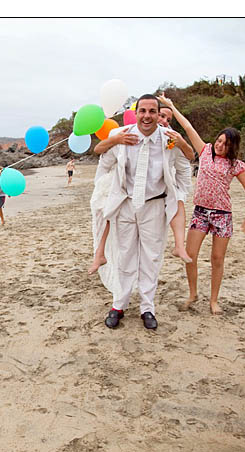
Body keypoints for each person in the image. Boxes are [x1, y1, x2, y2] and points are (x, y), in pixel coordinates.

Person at [92, 94, 192, 330]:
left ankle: (147, 307)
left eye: (152, 111)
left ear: (159, 114)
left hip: (155, 206)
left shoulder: (169, 138)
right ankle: (119, 304)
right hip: (126, 204)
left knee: (151, 256)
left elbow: (185, 164)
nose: (147, 116)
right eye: (142, 111)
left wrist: (180, 195)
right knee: (125, 254)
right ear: (136, 113)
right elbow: (103, 160)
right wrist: (105, 192)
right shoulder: (123, 134)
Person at [157, 93, 245, 315]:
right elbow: (188, 126)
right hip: (200, 213)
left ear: (232, 147)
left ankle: (214, 301)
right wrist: (171, 105)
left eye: (225, 144)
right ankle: (193, 293)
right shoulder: (205, 152)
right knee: (189, 254)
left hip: (222, 216)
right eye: (219, 140)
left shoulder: (235, 165)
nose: (220, 145)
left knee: (217, 259)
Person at [89, 103, 195, 275]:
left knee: (178, 202)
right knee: (108, 212)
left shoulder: (169, 137)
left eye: (168, 119)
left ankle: (179, 245)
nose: (164, 121)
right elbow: (99, 150)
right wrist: (115, 140)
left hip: (153, 188)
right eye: (161, 115)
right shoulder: (126, 132)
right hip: (119, 179)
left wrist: (181, 143)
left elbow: (190, 156)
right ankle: (100, 253)